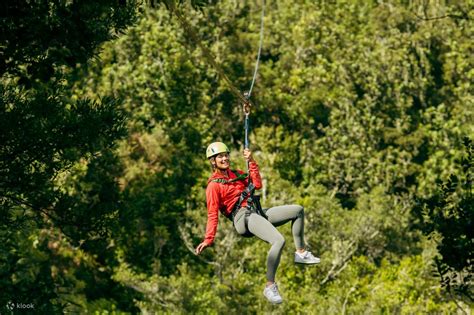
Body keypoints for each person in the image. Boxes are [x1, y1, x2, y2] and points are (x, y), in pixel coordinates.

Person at [195, 142, 320, 304]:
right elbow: (212, 214)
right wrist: (208, 239)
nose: (225, 158)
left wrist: (251, 161)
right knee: (278, 240)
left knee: (297, 210)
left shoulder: (236, 174)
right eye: (220, 156)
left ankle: (301, 253)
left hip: (255, 211)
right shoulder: (213, 186)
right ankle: (270, 286)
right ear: (213, 161)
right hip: (242, 218)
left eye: (226, 155)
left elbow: (257, 184)